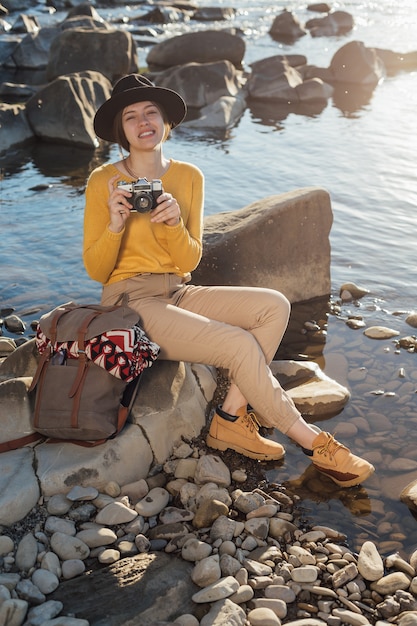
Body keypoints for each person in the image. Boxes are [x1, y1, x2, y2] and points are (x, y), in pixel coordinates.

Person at [83, 73, 375, 489]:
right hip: (129, 303)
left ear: (166, 122)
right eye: (131, 115)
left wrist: (170, 224)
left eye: (152, 112)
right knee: (238, 344)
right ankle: (311, 441)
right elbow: (96, 271)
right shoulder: (102, 182)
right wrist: (114, 224)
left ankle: (229, 419)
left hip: (178, 289)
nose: (143, 121)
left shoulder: (189, 177)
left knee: (274, 305)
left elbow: (189, 258)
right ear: (120, 129)